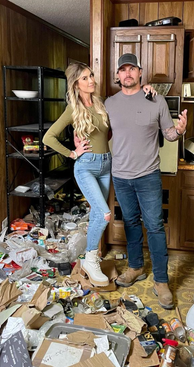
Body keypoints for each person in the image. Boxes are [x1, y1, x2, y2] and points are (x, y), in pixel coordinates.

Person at [43, 61, 155, 288]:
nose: (91, 80)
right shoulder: (72, 109)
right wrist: (73, 153)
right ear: (76, 83)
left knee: (97, 213)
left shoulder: (101, 102)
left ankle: (91, 257)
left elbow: (114, 125)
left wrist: (145, 92)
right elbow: (48, 138)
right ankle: (90, 260)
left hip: (106, 165)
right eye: (85, 78)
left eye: (91, 75)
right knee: (105, 214)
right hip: (86, 166)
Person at [105, 53, 187, 309]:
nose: (127, 73)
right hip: (120, 175)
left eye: (132, 69)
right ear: (117, 75)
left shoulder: (156, 100)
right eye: (123, 70)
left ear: (140, 72)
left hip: (148, 175)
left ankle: (161, 281)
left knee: (154, 226)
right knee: (129, 223)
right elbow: (99, 132)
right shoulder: (109, 103)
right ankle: (136, 267)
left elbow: (169, 135)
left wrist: (180, 130)